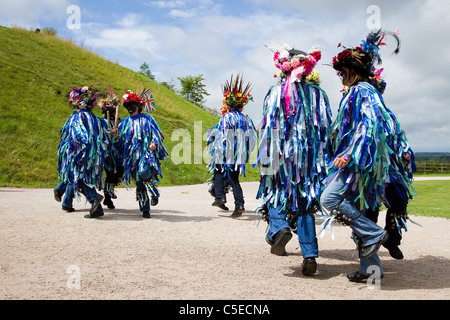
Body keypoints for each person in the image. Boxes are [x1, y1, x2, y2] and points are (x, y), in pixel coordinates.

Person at [320, 30, 402, 283]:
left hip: (359, 163)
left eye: (342, 70)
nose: (340, 75)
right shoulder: (359, 91)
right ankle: (370, 268)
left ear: (354, 70)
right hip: (362, 163)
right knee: (360, 209)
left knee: (328, 197)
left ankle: (374, 233)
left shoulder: (363, 90)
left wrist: (349, 153)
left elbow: (370, 126)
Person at [254, 44, 333, 275]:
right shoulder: (319, 95)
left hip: (280, 155)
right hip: (309, 160)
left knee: (276, 193)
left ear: (285, 67)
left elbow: (267, 127)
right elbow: (326, 129)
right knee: (305, 206)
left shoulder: (275, 92)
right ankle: (309, 255)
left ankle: (279, 229)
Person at [365, 68, 417, 260]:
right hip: (366, 169)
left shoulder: (388, 115)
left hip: (389, 167)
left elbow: (398, 135)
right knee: (369, 207)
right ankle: (369, 246)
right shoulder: (355, 112)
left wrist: (404, 150)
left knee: (399, 200)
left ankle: (392, 240)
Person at [206, 74, 257, 218]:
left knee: (217, 170)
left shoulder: (226, 117)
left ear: (229, 105)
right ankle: (239, 204)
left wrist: (219, 150)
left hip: (227, 151)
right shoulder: (246, 119)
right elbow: (251, 137)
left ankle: (220, 196)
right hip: (240, 153)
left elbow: (222, 135)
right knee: (234, 179)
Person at [111, 90, 168, 218]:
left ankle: (154, 192)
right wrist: (116, 136)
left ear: (138, 106)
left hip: (146, 153)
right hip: (131, 157)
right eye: (127, 106)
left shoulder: (147, 119)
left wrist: (154, 143)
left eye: (132, 106)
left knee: (143, 172)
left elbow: (157, 134)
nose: (130, 109)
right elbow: (120, 142)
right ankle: (145, 209)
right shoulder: (124, 122)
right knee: (139, 182)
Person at [56, 86, 109, 219]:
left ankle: (94, 197)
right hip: (93, 155)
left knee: (76, 178)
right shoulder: (95, 118)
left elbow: (76, 136)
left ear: (77, 102)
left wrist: (74, 152)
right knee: (78, 177)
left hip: (79, 153)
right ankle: (96, 209)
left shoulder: (77, 117)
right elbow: (104, 136)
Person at [98, 88, 124, 210]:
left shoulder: (120, 121)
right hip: (107, 152)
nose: (113, 112)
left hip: (119, 152)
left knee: (120, 172)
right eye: (110, 110)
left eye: (114, 109)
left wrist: (118, 136)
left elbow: (124, 134)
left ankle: (110, 190)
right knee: (109, 174)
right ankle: (107, 198)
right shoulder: (101, 122)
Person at [54, 105, 78, 212]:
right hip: (73, 150)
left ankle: (59, 188)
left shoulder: (71, 118)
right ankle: (67, 203)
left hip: (67, 149)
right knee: (74, 176)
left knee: (71, 174)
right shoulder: (80, 119)